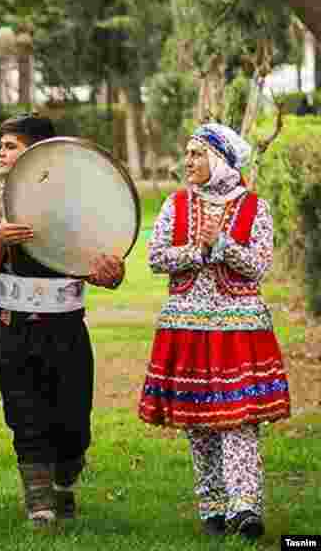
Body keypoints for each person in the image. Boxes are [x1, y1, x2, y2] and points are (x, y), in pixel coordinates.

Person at [0, 113, 125, 529]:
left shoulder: (78, 204)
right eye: (0, 146)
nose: (0, 153)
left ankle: (63, 480)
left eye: (10, 146)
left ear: (39, 153)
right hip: (12, 327)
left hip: (66, 328)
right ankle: (39, 505)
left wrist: (110, 273)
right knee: (25, 414)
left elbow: (108, 271)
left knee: (73, 422)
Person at [138, 123, 290, 541]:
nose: (188, 162)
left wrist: (222, 245)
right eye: (186, 153)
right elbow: (156, 257)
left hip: (239, 328)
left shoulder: (254, 207)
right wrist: (197, 250)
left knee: (239, 418)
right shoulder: (176, 204)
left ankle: (246, 507)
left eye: (197, 154)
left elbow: (259, 265)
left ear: (220, 159)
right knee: (199, 420)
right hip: (186, 326)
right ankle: (212, 507)